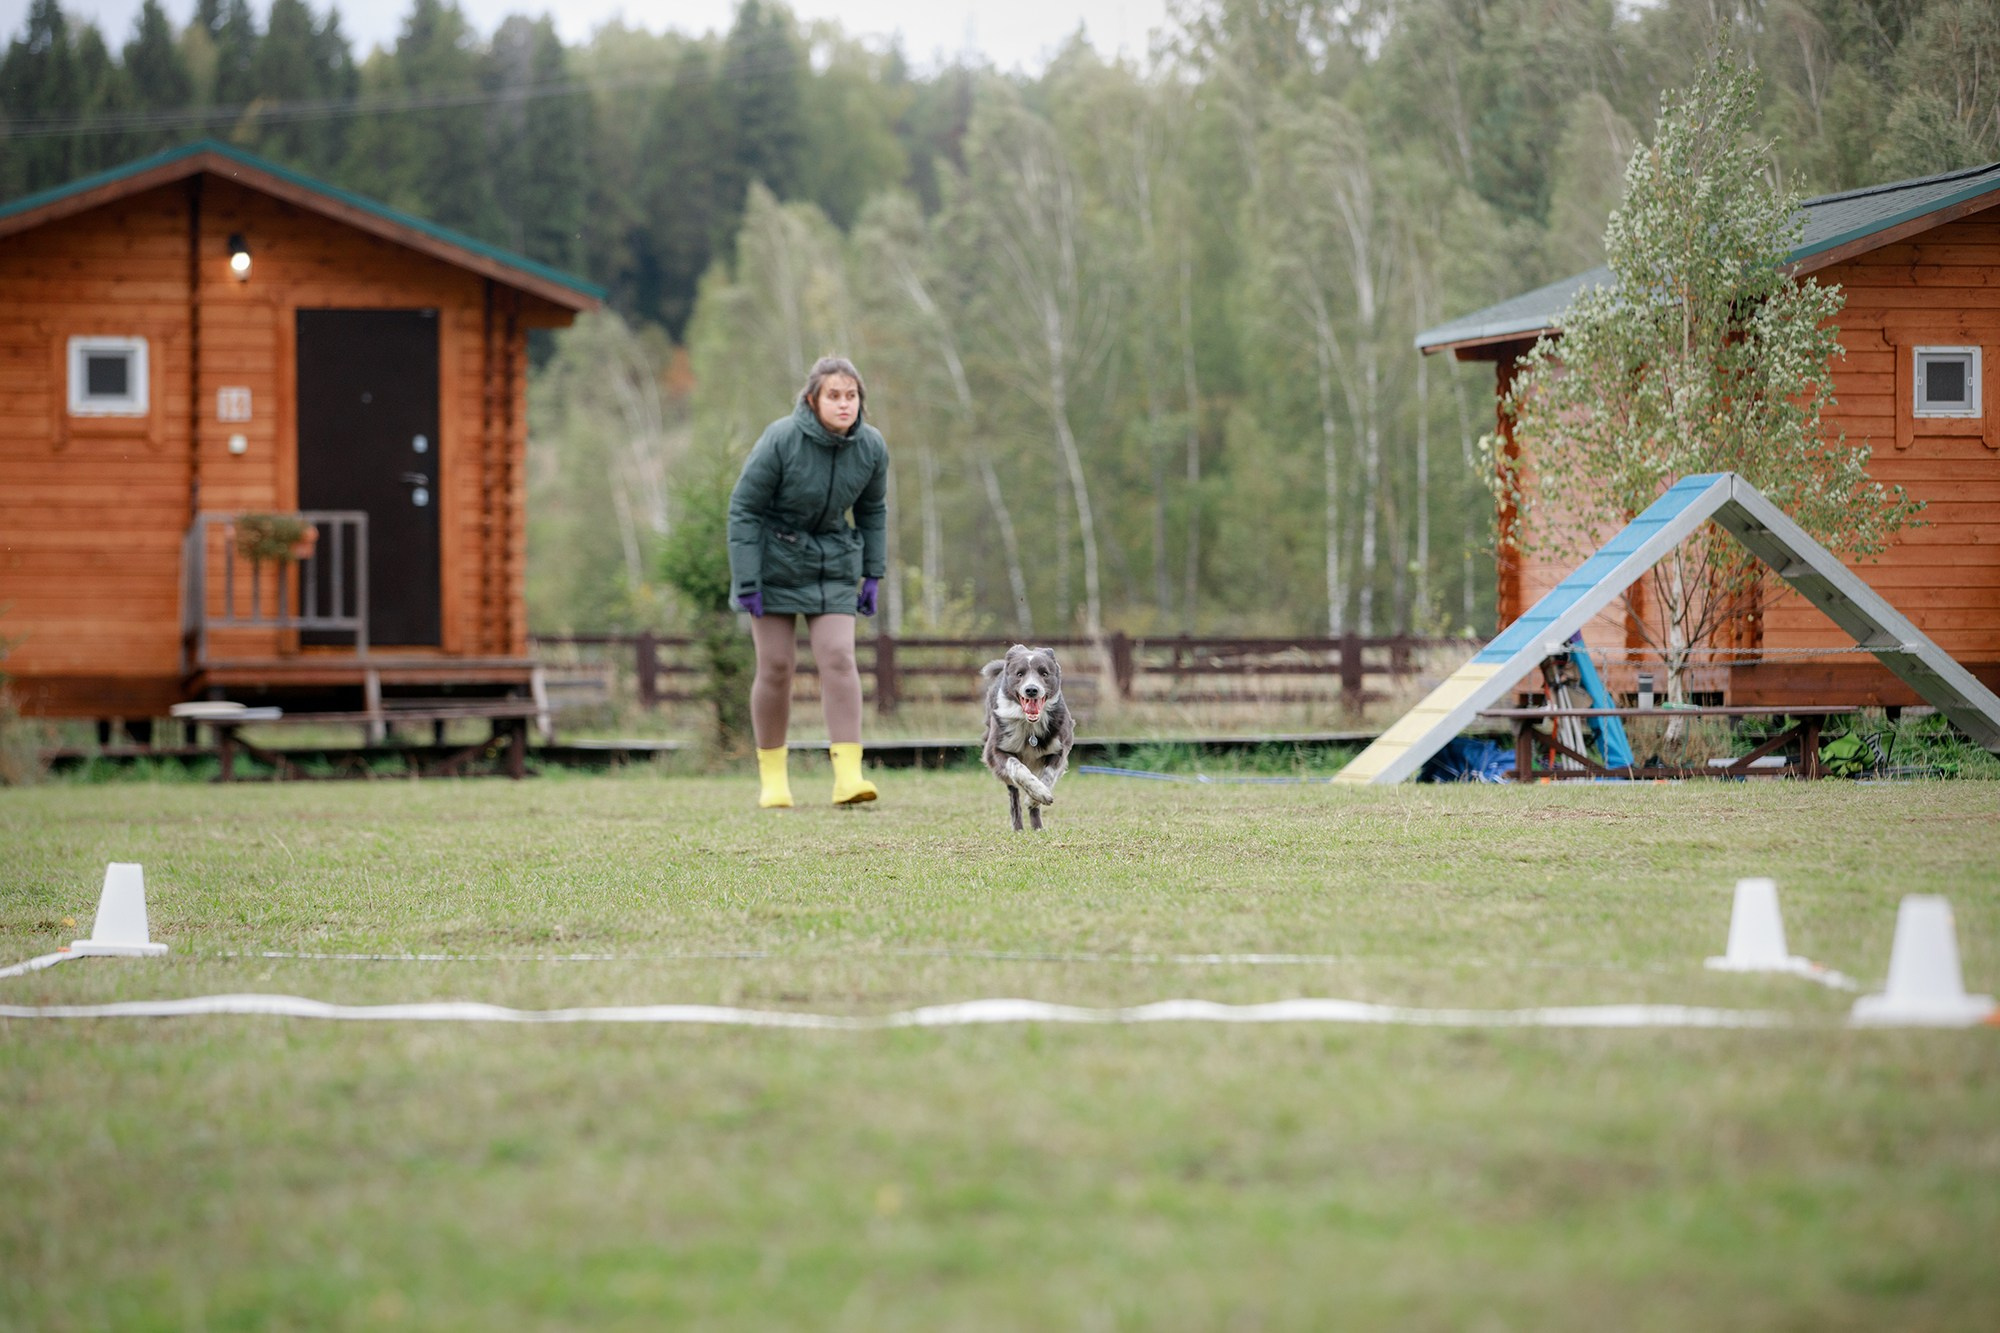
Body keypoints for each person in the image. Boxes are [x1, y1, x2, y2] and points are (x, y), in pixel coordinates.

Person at [727, 355, 889, 808]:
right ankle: (774, 780)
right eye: (834, 396)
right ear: (812, 400)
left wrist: (873, 572)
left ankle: (848, 778)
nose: (844, 404)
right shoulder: (781, 439)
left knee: (838, 657)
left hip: (833, 562)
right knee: (776, 666)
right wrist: (747, 580)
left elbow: (873, 511)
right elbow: (744, 508)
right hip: (774, 563)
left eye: (851, 396)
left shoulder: (872, 447)